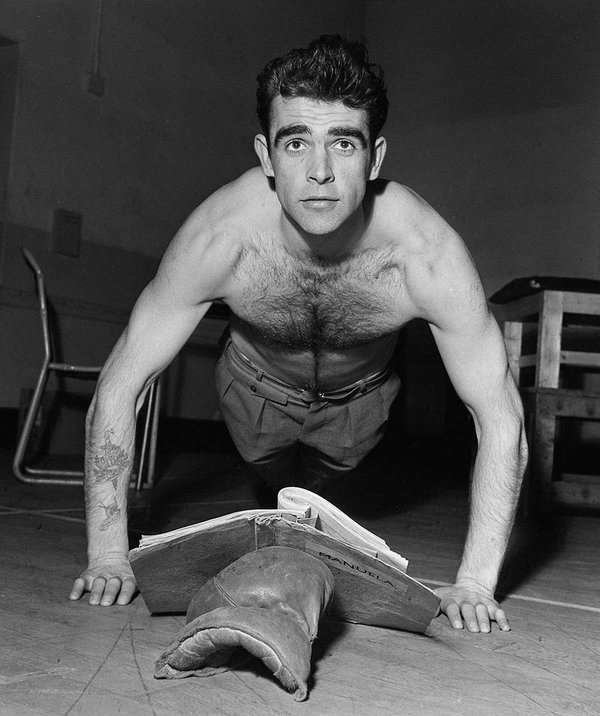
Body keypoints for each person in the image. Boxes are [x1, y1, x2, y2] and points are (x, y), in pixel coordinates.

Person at [69, 35, 527, 633]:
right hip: (253, 388)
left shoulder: (425, 254)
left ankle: (302, 495)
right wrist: (107, 555)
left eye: (343, 143)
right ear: (266, 155)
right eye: (296, 142)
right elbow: (120, 386)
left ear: (375, 159)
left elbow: (499, 415)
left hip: (359, 400)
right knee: (270, 477)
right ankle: (273, 487)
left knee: (322, 492)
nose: (320, 172)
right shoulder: (221, 237)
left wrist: (475, 583)